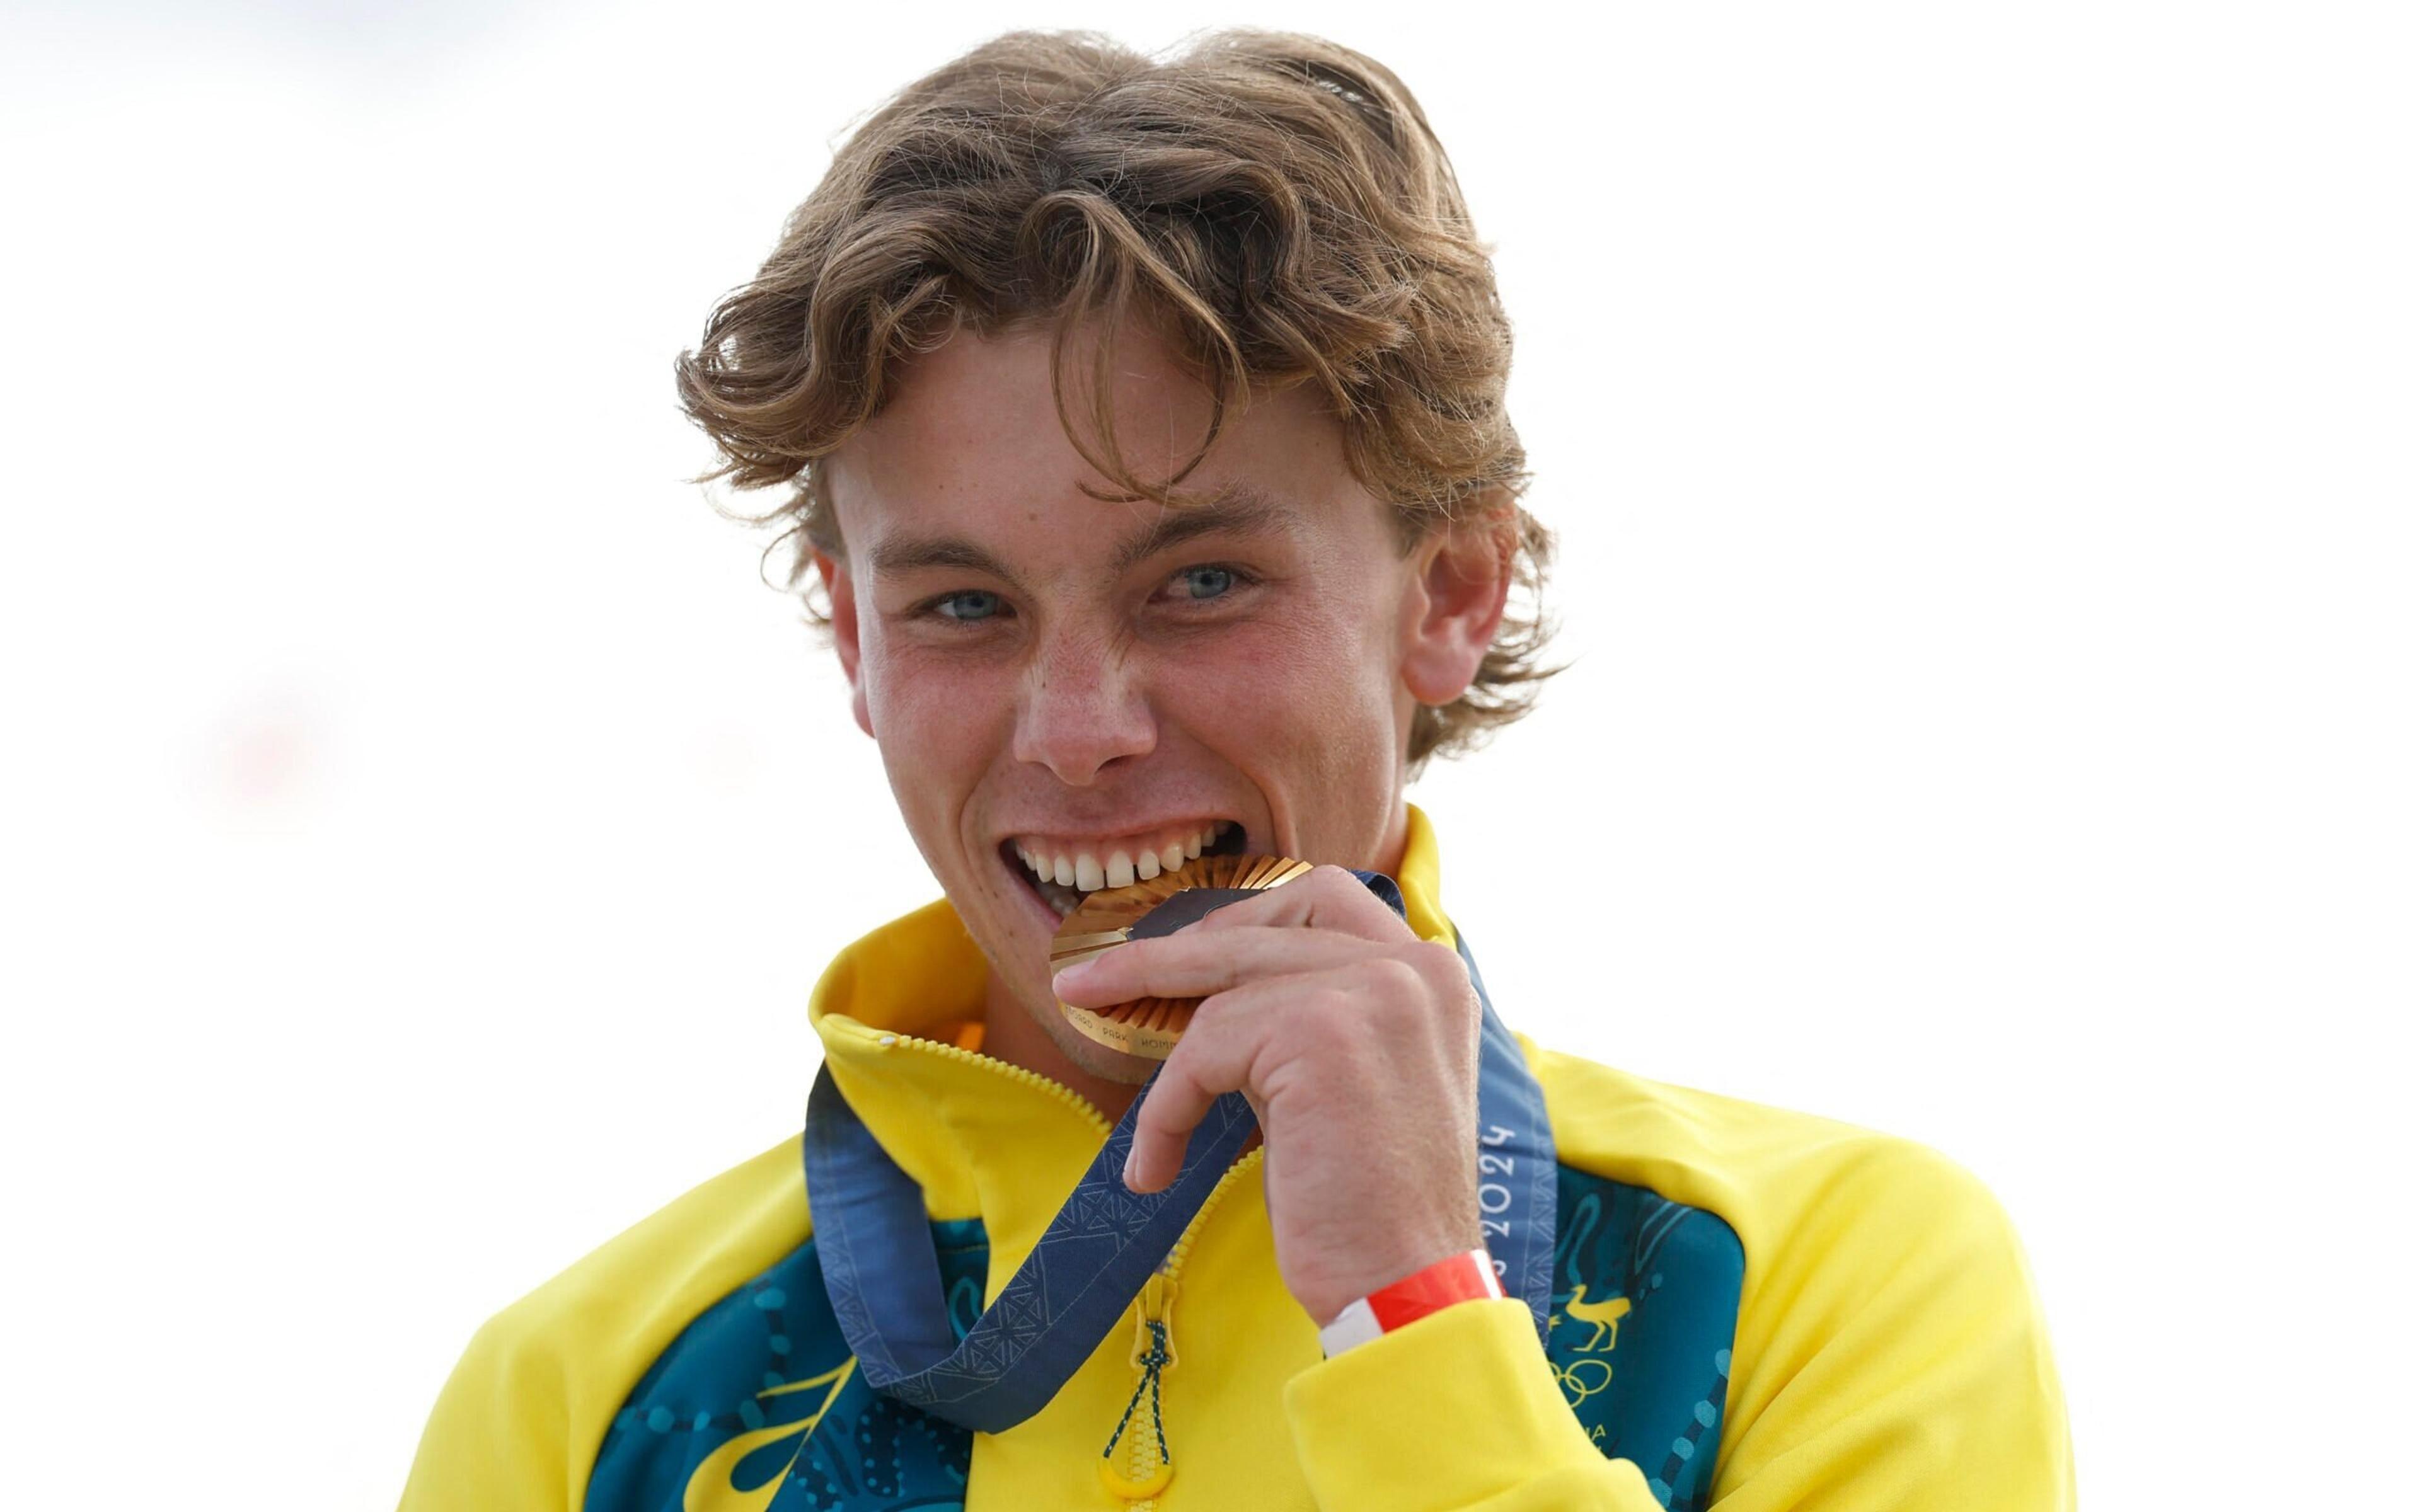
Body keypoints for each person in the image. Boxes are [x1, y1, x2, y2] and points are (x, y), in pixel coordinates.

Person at [399, 26, 2073, 1511]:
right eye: (965, 605)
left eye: (1200, 583)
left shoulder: (1821, 1281)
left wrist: (1417, 1316)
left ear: (1452, 595)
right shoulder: (585, 1399)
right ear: (853, 641)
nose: (1077, 729)